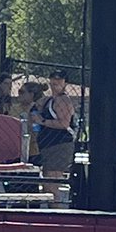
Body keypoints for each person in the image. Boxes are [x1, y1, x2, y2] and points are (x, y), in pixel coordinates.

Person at [35, 69, 76, 200]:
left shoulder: (63, 100)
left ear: (65, 83)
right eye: (53, 78)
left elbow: (64, 124)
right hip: (48, 145)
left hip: (59, 145)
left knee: (52, 186)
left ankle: (56, 212)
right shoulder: (50, 100)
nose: (56, 81)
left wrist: (42, 121)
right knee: (47, 185)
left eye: (60, 79)